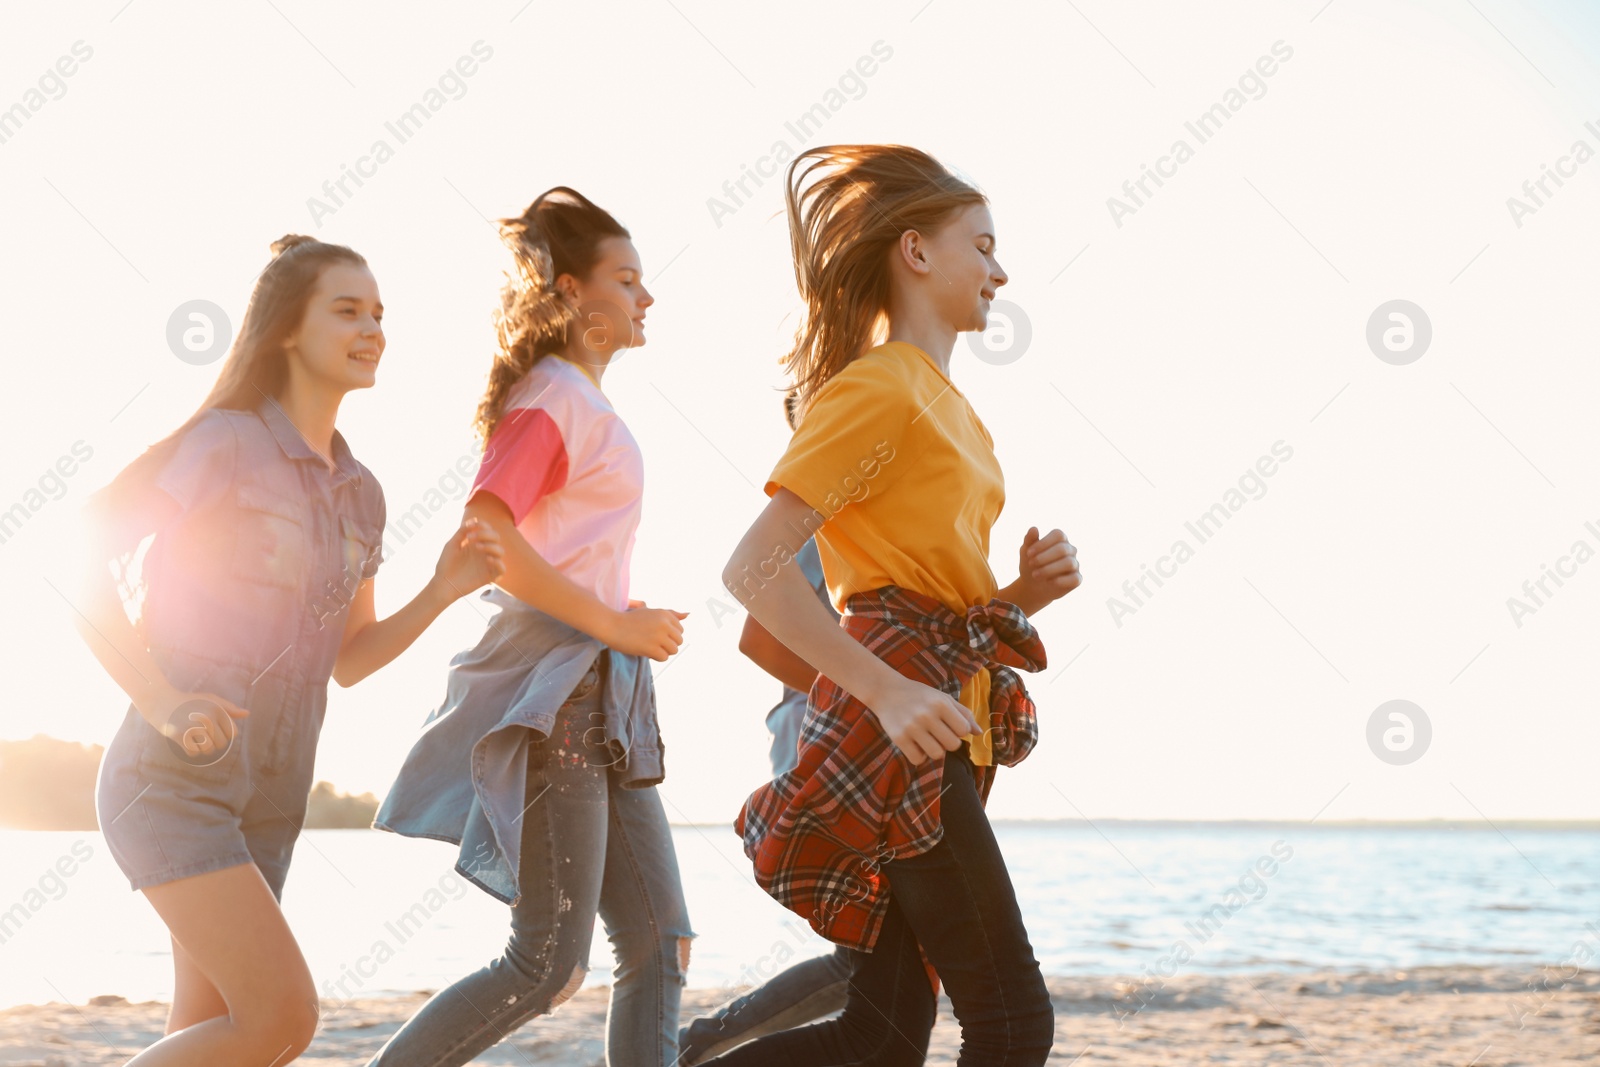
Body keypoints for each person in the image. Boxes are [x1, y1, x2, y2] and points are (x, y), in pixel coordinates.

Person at [78, 234, 505, 1066]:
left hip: (272, 797)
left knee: (211, 1037)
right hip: (174, 781)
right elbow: (85, 552)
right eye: (346, 309)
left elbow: (350, 658)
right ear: (283, 329)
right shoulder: (225, 444)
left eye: (380, 313)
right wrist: (163, 699)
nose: (372, 327)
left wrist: (442, 590)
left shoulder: (363, 492)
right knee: (281, 1018)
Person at [712, 144, 1082, 1066]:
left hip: (936, 709)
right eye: (984, 245)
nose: (1002, 269)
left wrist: (1019, 594)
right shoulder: (880, 387)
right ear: (916, 253)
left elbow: (922, 587)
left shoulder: (947, 401)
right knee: (1011, 1021)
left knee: (877, 1038)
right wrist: (885, 693)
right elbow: (753, 571)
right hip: (900, 727)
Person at [367, 187, 693, 1067]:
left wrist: (618, 635)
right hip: (563, 694)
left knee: (662, 941)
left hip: (603, 696)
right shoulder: (549, 398)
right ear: (571, 297)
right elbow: (489, 536)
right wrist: (618, 624)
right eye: (627, 280)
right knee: (547, 962)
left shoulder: (582, 402)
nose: (645, 297)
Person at [677, 398, 851, 1066]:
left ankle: (705, 1040)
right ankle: (706, 1041)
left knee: (882, 958)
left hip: (855, 736)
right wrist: (866, 697)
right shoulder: (819, 515)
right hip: (826, 741)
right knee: (880, 955)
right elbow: (760, 639)